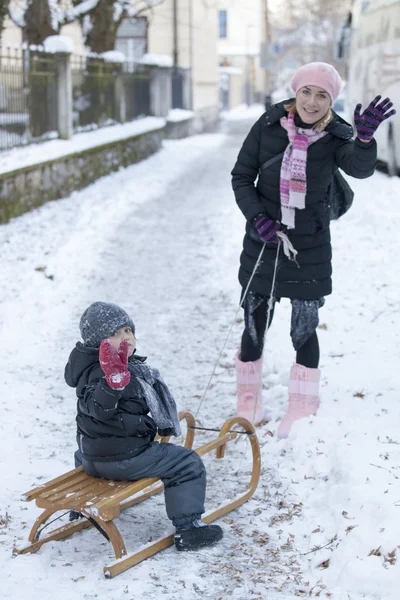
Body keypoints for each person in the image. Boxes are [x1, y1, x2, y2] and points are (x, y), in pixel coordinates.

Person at [231, 62, 396, 437]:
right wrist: (258, 218)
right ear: (295, 91)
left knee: (304, 327)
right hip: (263, 239)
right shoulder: (269, 125)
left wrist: (365, 142)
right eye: (307, 91)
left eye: (322, 94)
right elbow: (242, 176)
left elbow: (359, 168)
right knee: (255, 320)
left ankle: (303, 403)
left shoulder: (337, 135)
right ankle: (248, 399)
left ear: (331, 100)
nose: (312, 101)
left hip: (310, 246)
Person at [64, 301, 223, 551]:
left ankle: (80, 510)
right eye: (113, 334)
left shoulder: (94, 369)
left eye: (127, 330)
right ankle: (189, 528)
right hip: (123, 459)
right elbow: (99, 407)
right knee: (187, 463)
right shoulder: (105, 374)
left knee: (92, 439)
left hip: (89, 460)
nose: (124, 338)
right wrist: (113, 383)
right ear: (98, 344)